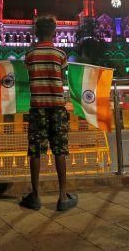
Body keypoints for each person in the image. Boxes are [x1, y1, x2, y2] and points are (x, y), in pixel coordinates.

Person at [20, 14, 77, 211]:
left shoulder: (29, 55)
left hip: (37, 107)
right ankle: (62, 196)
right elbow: (62, 77)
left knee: (35, 150)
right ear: (54, 33)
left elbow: (27, 74)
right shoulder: (60, 55)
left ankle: (35, 196)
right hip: (57, 107)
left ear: (36, 33)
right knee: (60, 149)